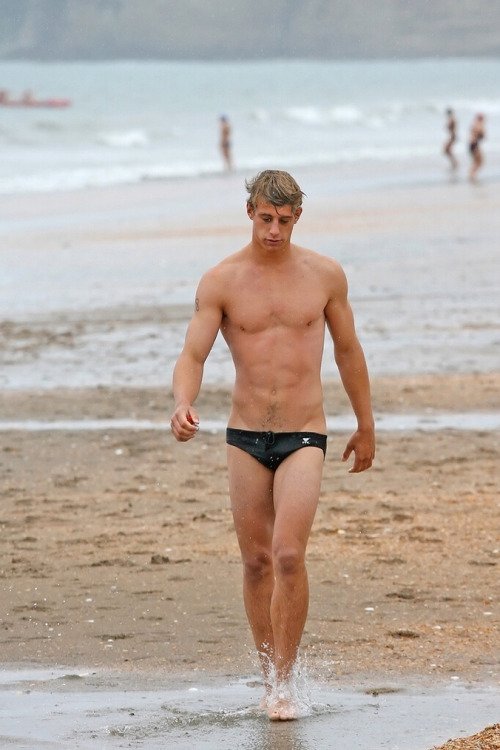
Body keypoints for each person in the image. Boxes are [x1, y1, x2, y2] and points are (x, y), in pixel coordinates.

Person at [170, 170, 375, 720]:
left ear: (297, 217)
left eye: (284, 220)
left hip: (305, 432)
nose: (274, 230)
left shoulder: (324, 275)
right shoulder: (221, 280)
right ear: (250, 212)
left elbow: (348, 350)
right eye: (266, 218)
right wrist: (182, 402)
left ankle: (285, 682)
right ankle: (269, 678)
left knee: (288, 554)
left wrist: (366, 423)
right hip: (244, 436)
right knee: (257, 562)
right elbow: (193, 354)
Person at [468, 113, 486, 181]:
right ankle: (471, 175)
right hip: (474, 144)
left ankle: (472, 174)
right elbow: (482, 134)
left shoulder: (474, 124)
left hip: (472, 144)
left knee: (476, 161)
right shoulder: (479, 125)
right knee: (479, 161)